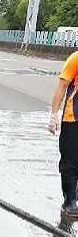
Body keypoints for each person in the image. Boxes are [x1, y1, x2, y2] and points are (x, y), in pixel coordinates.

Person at [49, 50, 78, 218]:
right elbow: (62, 86)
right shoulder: (75, 58)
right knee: (70, 162)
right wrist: (54, 115)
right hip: (73, 118)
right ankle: (70, 201)